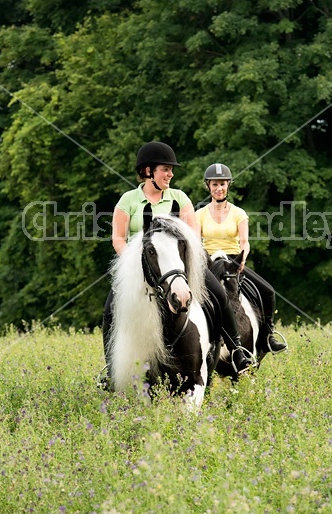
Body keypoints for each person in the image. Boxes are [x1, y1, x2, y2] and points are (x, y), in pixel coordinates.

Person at [102, 142, 251, 379]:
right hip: (141, 270)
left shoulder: (179, 199)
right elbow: (118, 240)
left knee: (220, 295)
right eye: (165, 169)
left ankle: (236, 351)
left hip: (179, 269)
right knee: (110, 309)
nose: (171, 174)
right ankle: (111, 369)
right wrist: (132, 263)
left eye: (171, 170)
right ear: (149, 171)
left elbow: (192, 237)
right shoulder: (128, 201)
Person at [195, 163, 287, 354]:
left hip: (233, 261)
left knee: (268, 292)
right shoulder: (199, 214)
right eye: (215, 185)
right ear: (208, 186)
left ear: (228, 185)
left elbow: (245, 242)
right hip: (209, 263)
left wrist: (242, 259)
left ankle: (267, 337)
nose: (219, 188)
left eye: (222, 184)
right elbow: (196, 244)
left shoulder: (239, 213)